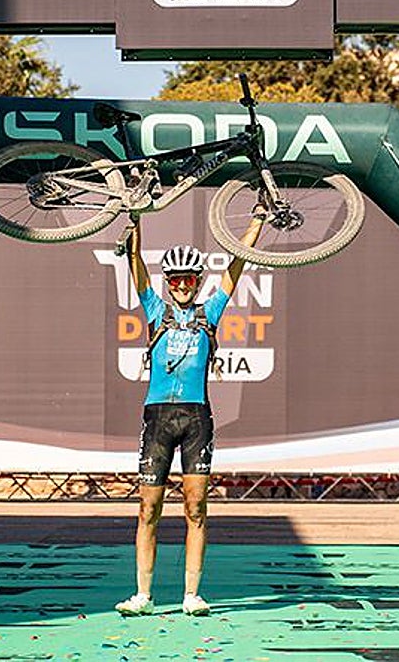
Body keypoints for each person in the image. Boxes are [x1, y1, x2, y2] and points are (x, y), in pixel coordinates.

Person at [115, 213, 264, 617]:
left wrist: (256, 224)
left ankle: (191, 595)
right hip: (158, 418)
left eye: (189, 279)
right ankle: (143, 596)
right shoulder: (154, 308)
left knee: (196, 507)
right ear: (169, 282)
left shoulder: (209, 312)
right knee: (148, 509)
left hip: (196, 418)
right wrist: (135, 217)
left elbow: (236, 267)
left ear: (197, 282)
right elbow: (136, 267)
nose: (182, 285)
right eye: (175, 279)